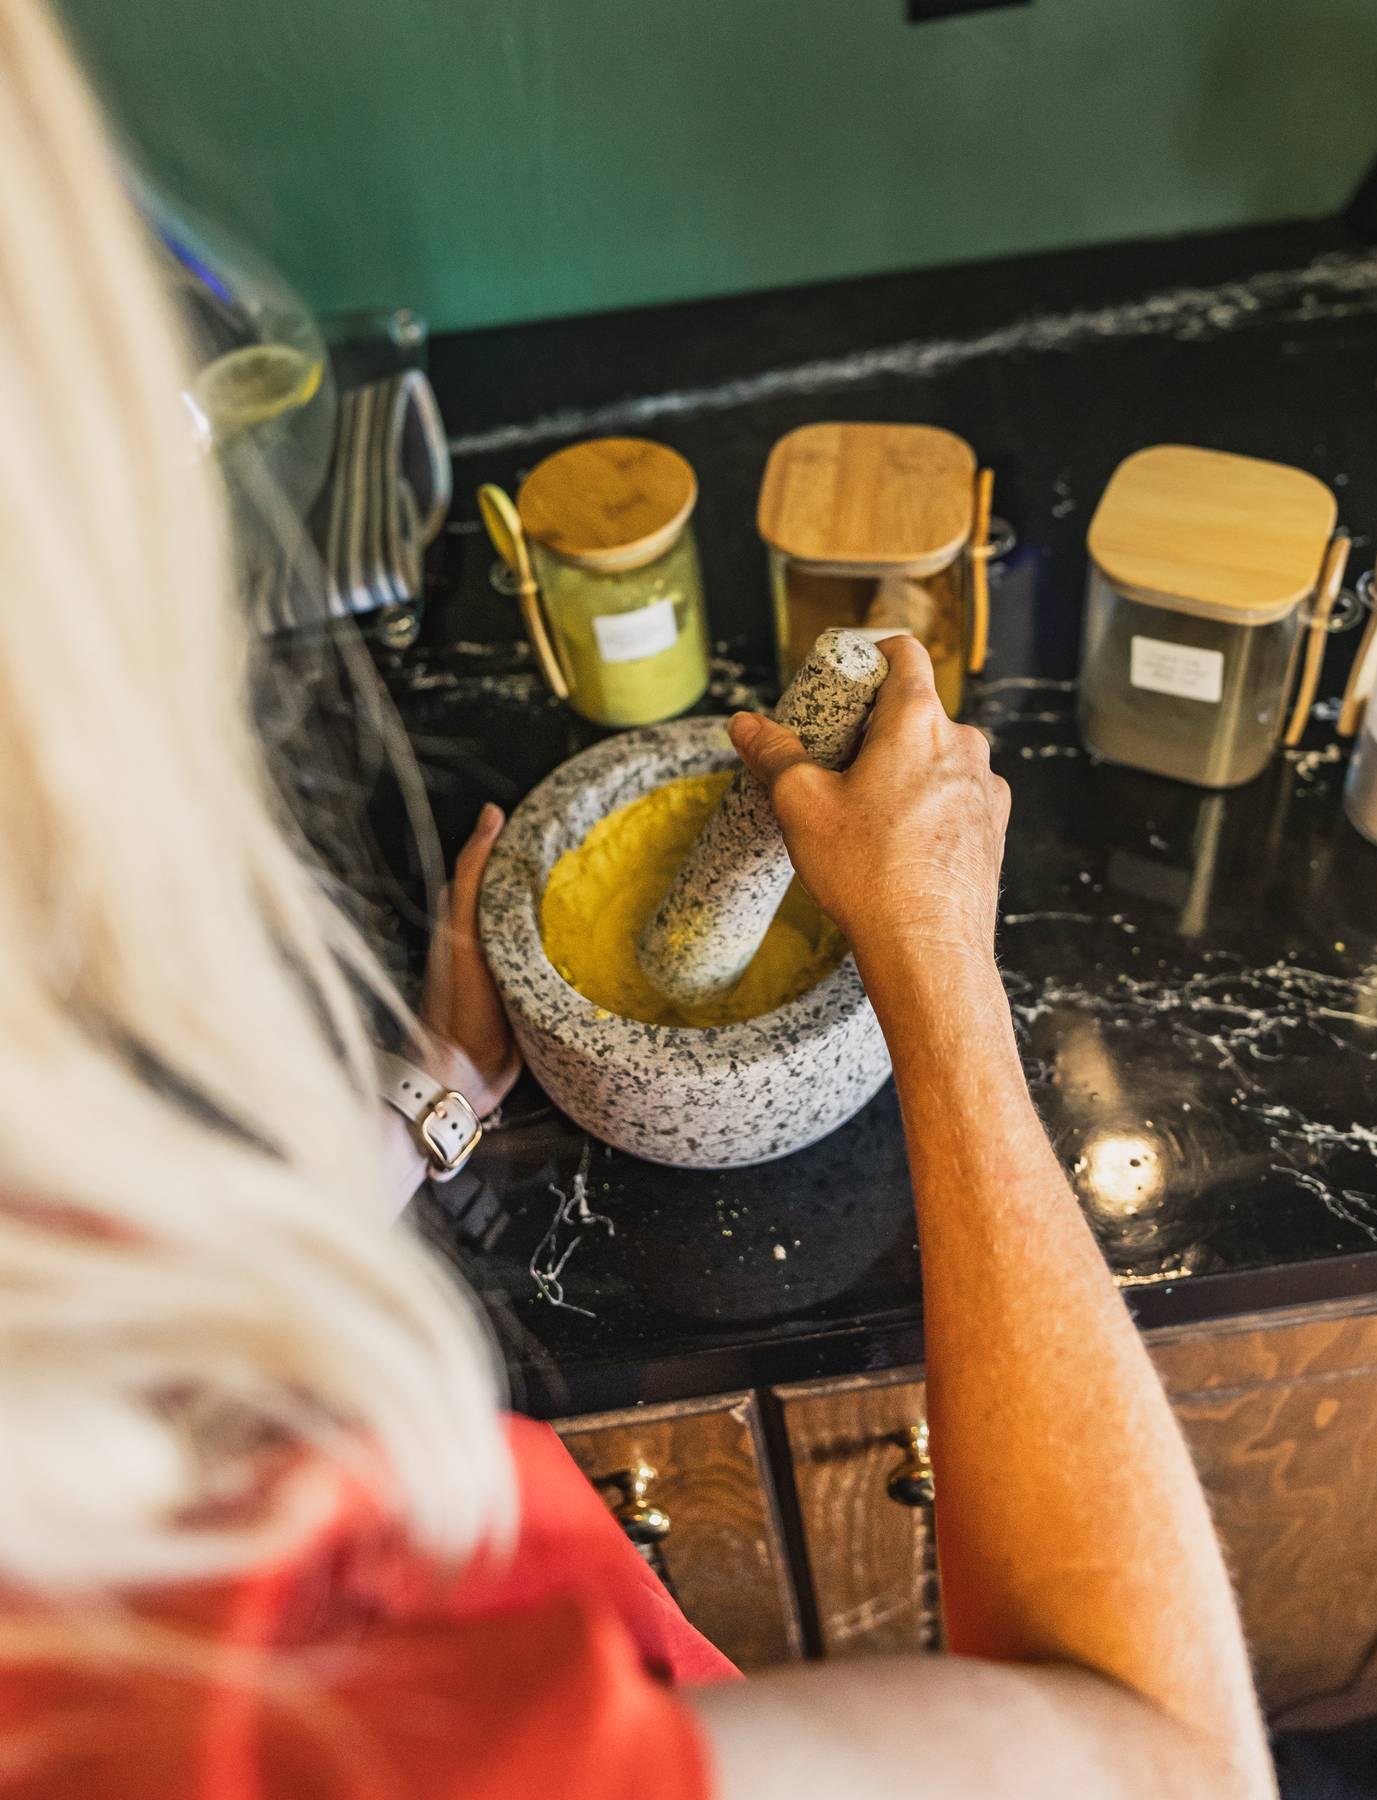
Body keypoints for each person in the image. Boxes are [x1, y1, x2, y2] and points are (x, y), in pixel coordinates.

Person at [0, 0, 1274, 1793]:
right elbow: (1177, 1761)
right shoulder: (296, 1736)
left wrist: (433, 1107)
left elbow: (124, 1373)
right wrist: (936, 966)